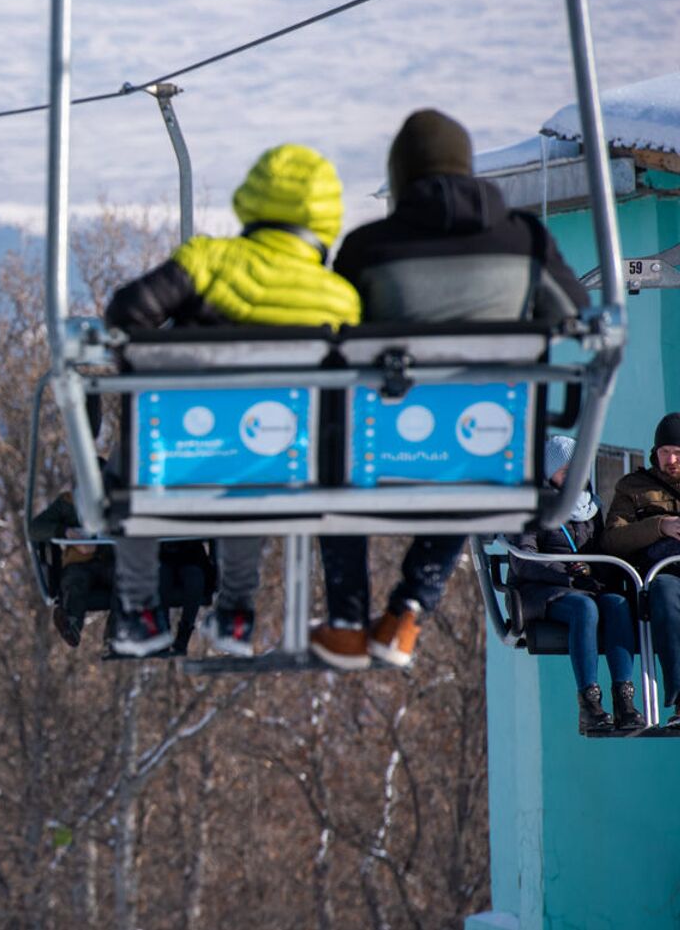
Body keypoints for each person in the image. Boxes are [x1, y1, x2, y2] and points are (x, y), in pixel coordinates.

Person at [309, 110, 587, 670]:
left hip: (379, 443)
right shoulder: (524, 238)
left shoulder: (368, 246)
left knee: (333, 476)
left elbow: (339, 328)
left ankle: (345, 622)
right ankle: (408, 610)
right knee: (467, 460)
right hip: (487, 445)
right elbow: (574, 312)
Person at [105, 143, 360, 656]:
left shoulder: (209, 262)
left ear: (252, 197)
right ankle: (237, 612)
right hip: (286, 464)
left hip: (176, 457)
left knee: (126, 473)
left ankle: (139, 610)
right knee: (251, 466)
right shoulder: (339, 297)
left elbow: (126, 315)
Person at [509, 435, 642, 734]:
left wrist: (596, 572)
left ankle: (625, 699)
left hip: (585, 585)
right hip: (544, 590)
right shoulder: (532, 508)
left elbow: (604, 550)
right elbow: (523, 559)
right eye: (564, 471)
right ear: (549, 473)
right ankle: (590, 703)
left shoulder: (590, 508)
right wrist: (566, 574)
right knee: (585, 609)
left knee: (617, 604)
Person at [28, 485, 211, 655]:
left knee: (124, 580)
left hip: (112, 562)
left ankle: (115, 635)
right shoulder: (67, 504)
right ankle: (72, 623)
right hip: (79, 563)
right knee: (75, 582)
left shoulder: (121, 502)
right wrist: (65, 532)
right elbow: (35, 529)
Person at [599, 411, 680, 730]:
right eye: (665, 452)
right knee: (665, 595)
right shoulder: (633, 487)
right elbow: (613, 540)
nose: (671, 459)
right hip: (660, 575)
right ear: (655, 453)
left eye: (677, 452)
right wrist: (659, 526)